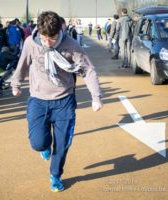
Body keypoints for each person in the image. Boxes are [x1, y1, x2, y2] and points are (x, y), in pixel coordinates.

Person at [11, 11, 103, 192]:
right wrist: (16, 84)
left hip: (64, 101)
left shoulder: (71, 45)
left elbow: (88, 70)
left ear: (60, 31)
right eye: (44, 38)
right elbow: (22, 64)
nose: (48, 43)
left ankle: (55, 175)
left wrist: (96, 97)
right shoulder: (31, 42)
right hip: (38, 100)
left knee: (61, 144)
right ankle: (44, 147)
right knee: (38, 143)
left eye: (52, 39)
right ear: (39, 31)